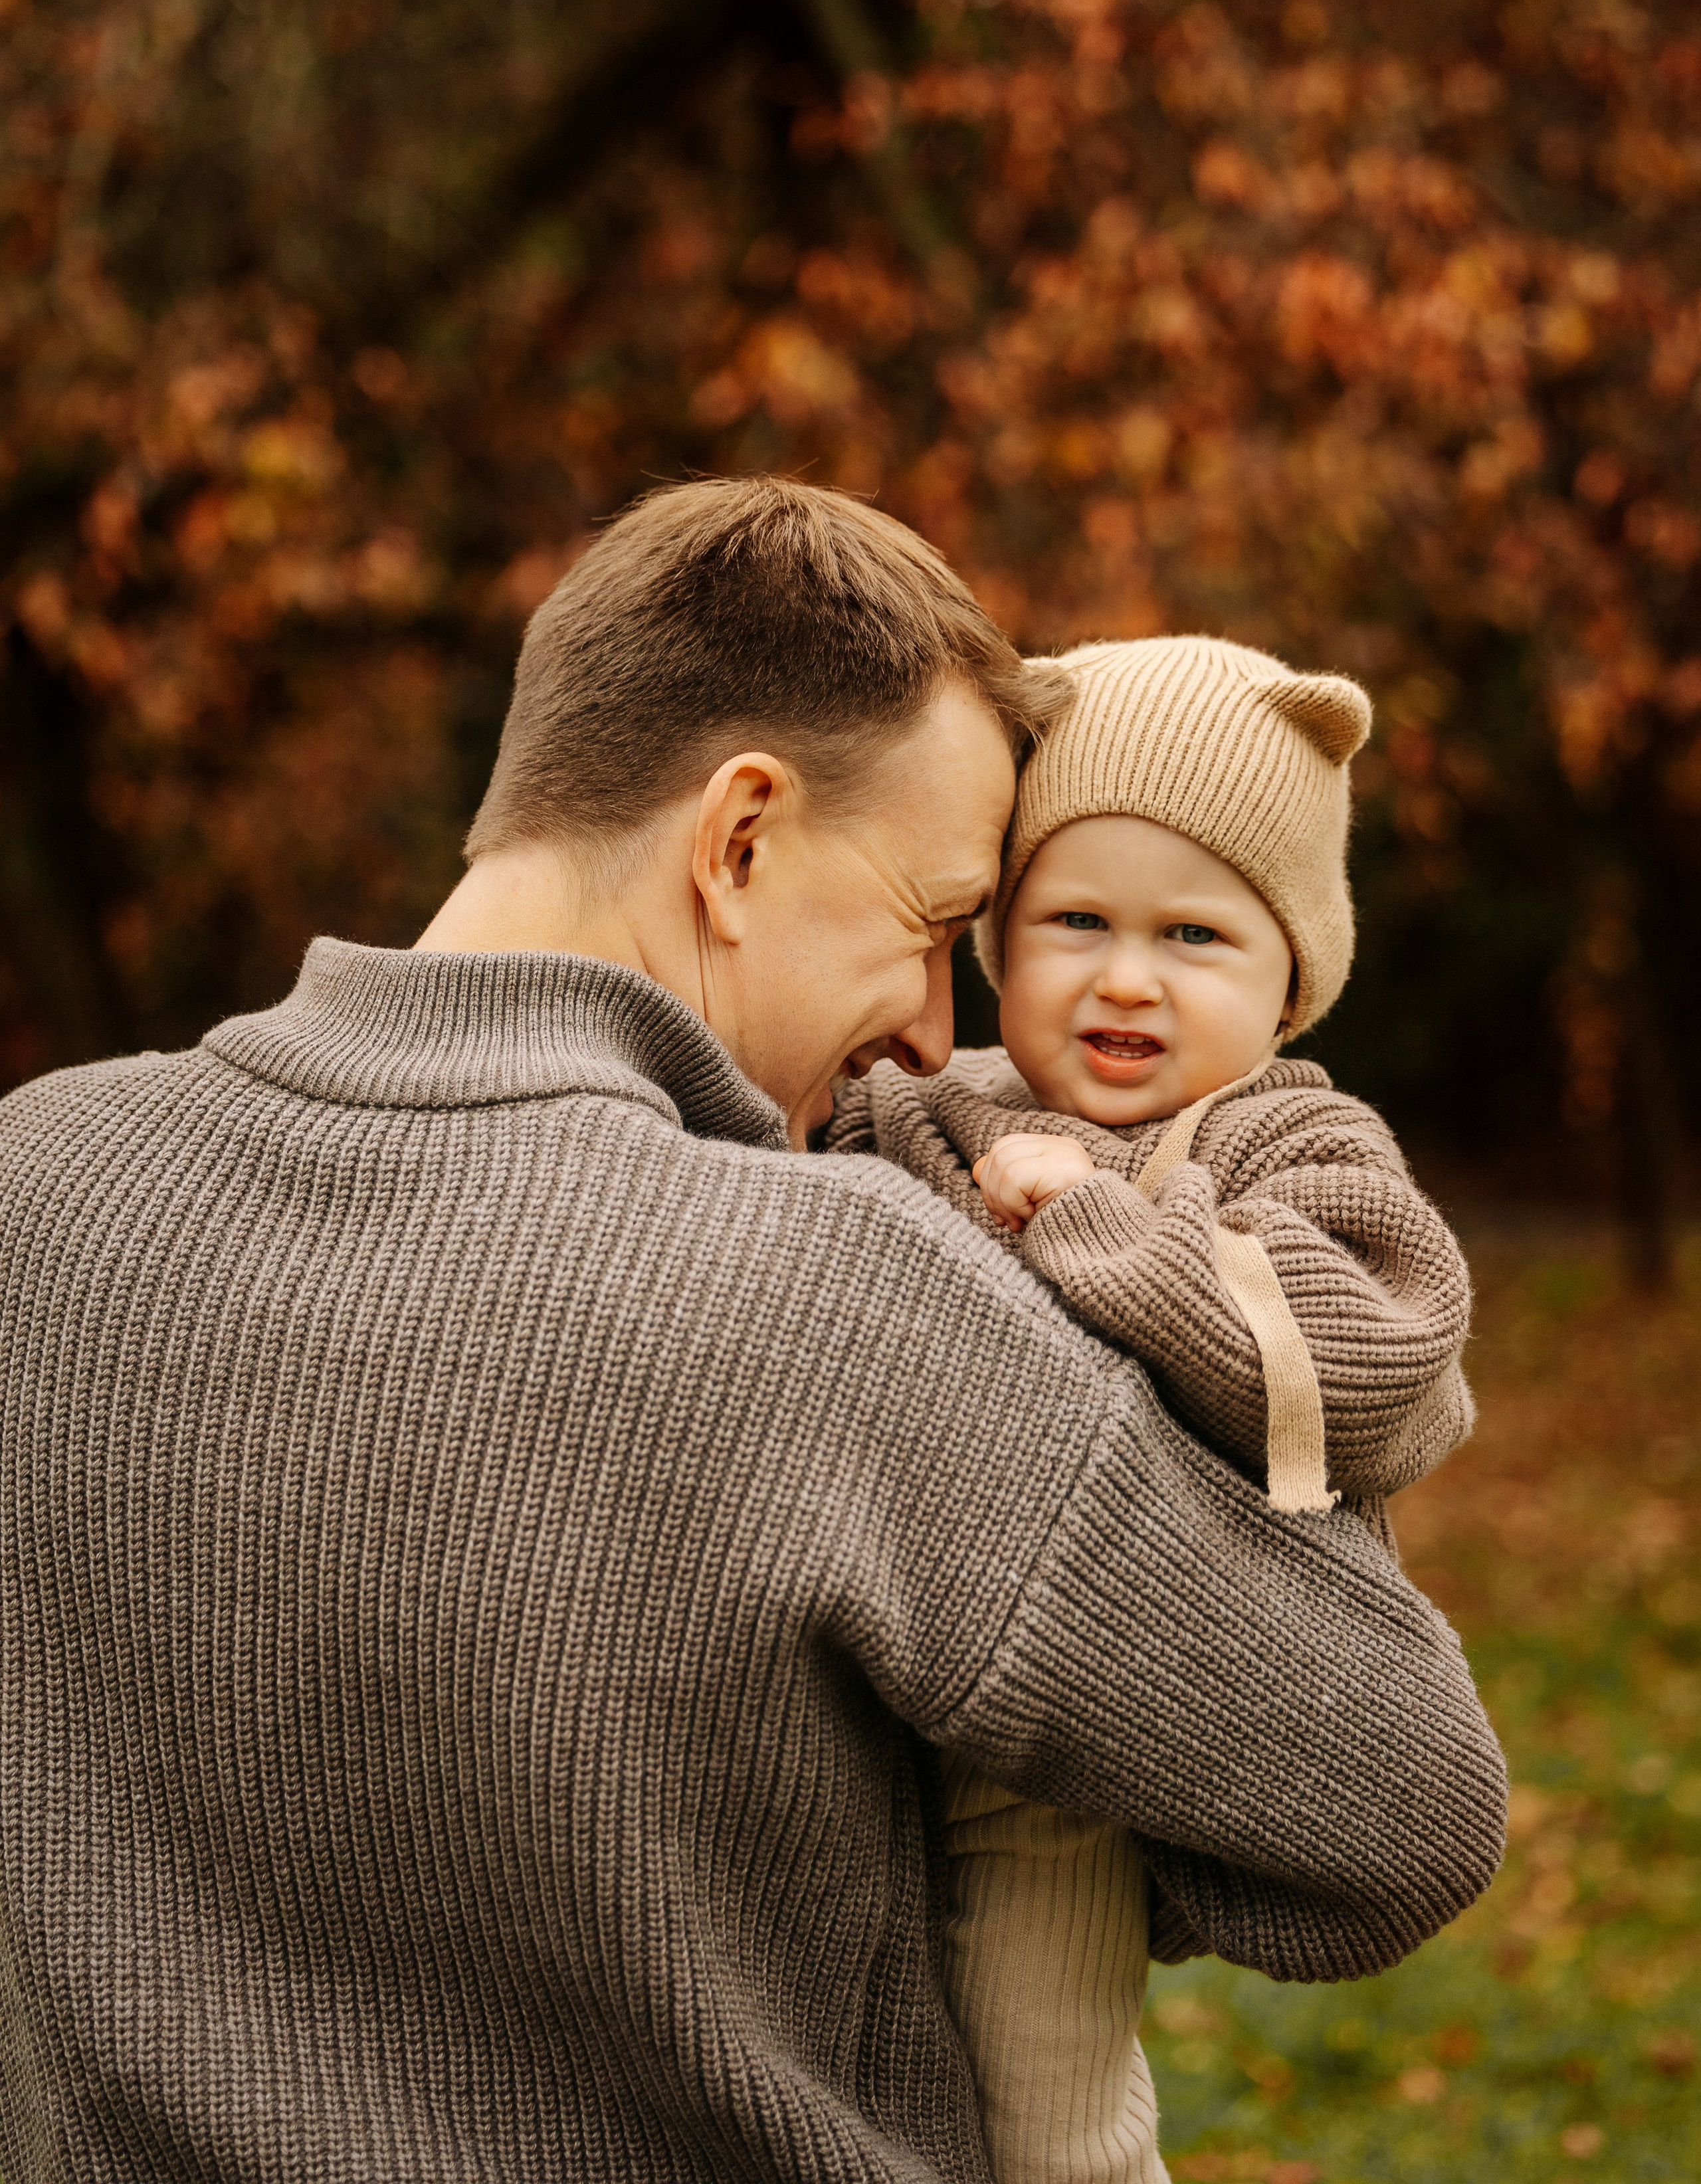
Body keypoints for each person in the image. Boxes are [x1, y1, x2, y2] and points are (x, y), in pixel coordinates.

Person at [0, 481, 1505, 2184]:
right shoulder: (839, 1300)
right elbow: (1400, 1807)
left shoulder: (32, 1188)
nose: (937, 1041)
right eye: (941, 929)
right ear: (737, 840)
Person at [827, 633, 1478, 2184]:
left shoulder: (1286, 1146)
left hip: (1085, 1724)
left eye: (1193, 934)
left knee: (1049, 2114)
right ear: (993, 935)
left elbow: (1378, 1360)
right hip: (855, 1689)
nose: (1126, 976)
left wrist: (1100, 1225)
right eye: (1074, 920)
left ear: (1290, 978)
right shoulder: (921, 1106)